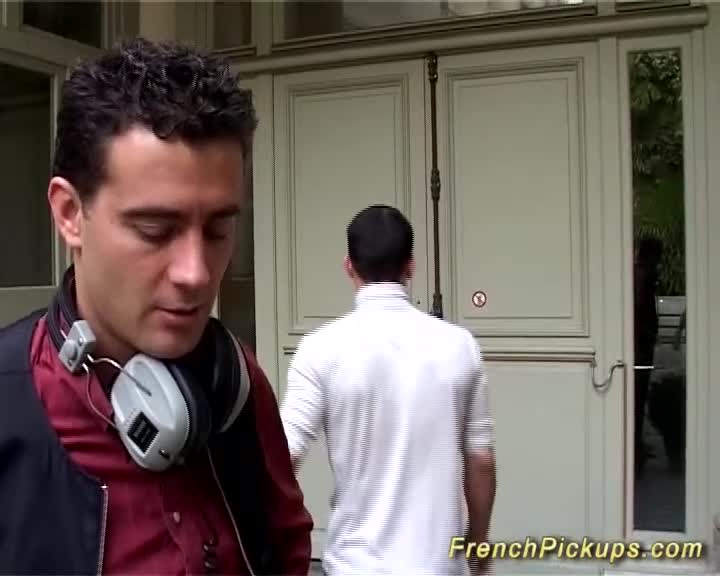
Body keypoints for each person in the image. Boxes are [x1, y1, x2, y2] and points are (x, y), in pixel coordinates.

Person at [0, 38, 312, 575]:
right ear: (70, 213)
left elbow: (287, 543)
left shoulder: (238, 382)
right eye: (155, 230)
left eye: (218, 230)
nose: (196, 274)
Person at [280, 204, 497, 576]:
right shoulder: (459, 346)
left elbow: (285, 455)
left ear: (348, 266)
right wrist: (478, 544)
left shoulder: (319, 350)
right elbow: (481, 460)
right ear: (411, 266)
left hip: (354, 565)